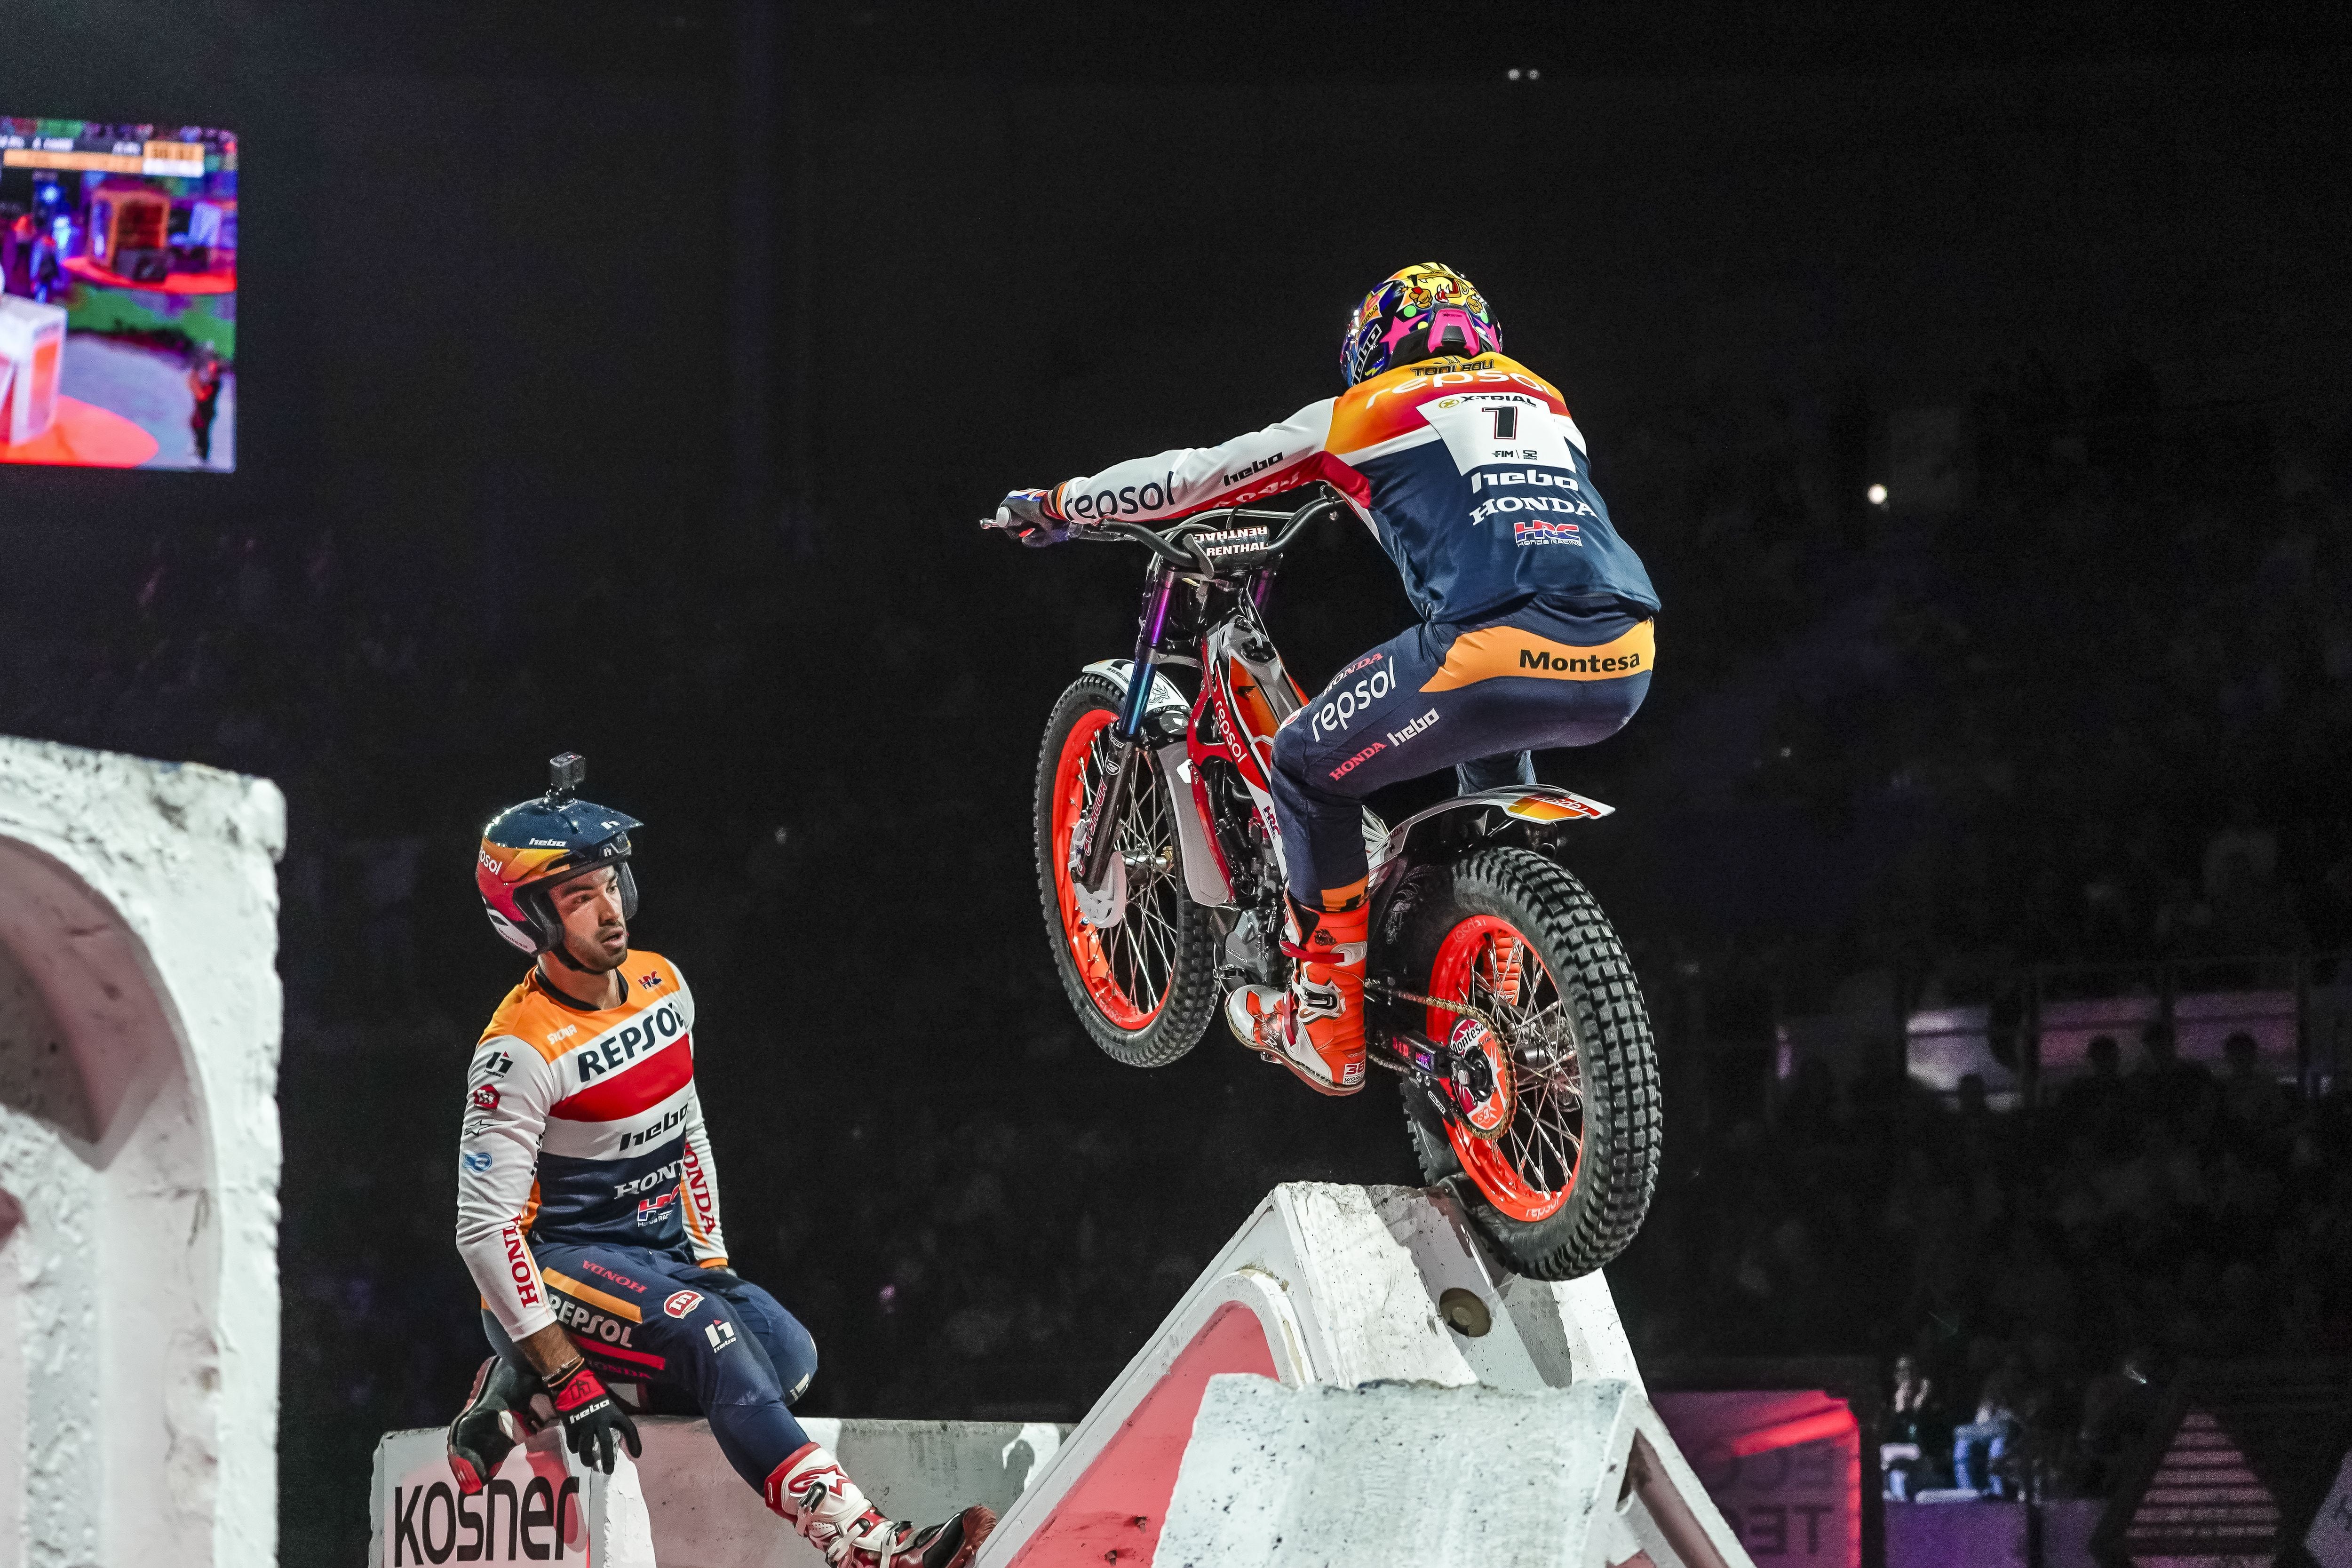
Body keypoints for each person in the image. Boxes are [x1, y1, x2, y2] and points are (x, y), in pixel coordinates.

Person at [988, 263, 1657, 1095]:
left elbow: (1194, 476)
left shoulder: (1363, 413)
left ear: (1375, 347)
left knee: (1304, 761)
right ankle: (1497, 966)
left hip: (1492, 652)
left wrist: (1060, 503)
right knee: (1487, 769)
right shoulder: (1546, 399)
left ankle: (1324, 1020)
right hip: (1625, 654)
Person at [448, 755, 994, 1568]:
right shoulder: (516, 1051)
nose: (610, 911)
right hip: (563, 1259)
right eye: (578, 896)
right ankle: (870, 1549)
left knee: (789, 1357)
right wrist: (573, 1378)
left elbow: (687, 1127)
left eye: (611, 884)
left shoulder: (664, 984)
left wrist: (710, 1263)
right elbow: (484, 1233)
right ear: (526, 917)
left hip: (659, 1256)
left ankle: (513, 1380)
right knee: (713, 1343)